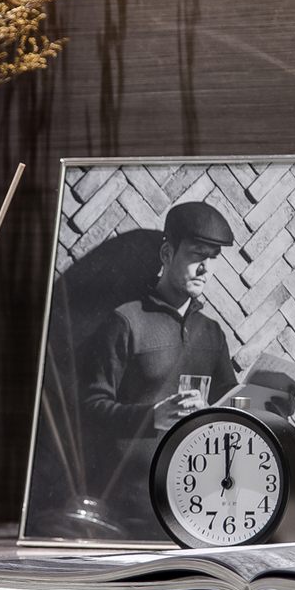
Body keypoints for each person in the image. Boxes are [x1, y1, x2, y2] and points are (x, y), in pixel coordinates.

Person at [79, 200, 241, 532]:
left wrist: (267, 406)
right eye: (197, 255)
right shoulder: (126, 321)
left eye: (213, 259)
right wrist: (152, 417)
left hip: (198, 499)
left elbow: (229, 408)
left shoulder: (212, 332)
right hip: (132, 504)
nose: (205, 269)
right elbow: (90, 408)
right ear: (167, 254)